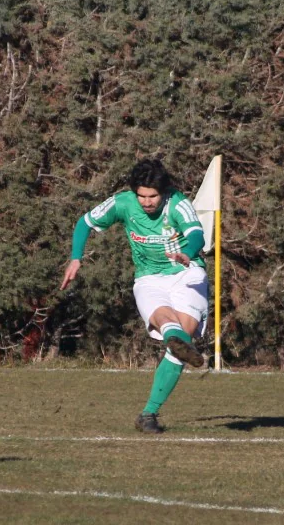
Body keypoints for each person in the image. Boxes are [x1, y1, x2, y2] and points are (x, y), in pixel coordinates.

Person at [60, 158, 208, 434]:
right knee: (172, 330)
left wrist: (186, 252)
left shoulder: (178, 204)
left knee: (182, 334)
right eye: (142, 196)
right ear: (134, 193)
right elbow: (85, 223)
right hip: (149, 278)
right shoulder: (123, 203)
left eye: (152, 196)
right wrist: (76, 258)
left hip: (187, 273)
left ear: (164, 192)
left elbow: (198, 235)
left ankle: (148, 413)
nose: (147, 202)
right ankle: (150, 411)